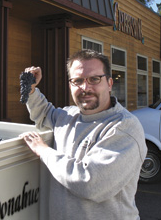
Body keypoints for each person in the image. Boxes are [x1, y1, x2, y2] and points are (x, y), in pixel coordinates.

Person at [20, 49, 147, 220]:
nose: (85, 88)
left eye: (94, 79)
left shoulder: (124, 127)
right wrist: (31, 89)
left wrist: (43, 150)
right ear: (70, 85)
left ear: (109, 83)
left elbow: (90, 183)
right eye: (77, 81)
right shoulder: (67, 116)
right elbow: (43, 113)